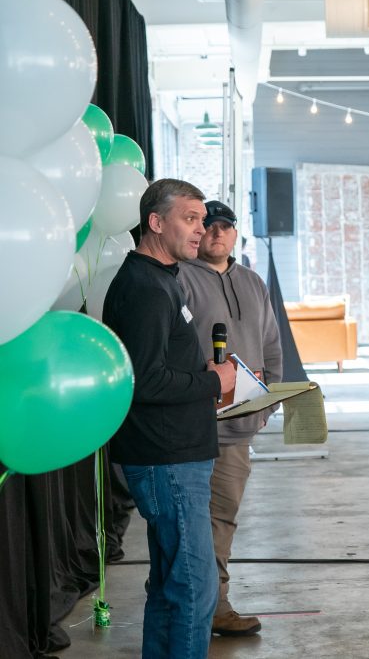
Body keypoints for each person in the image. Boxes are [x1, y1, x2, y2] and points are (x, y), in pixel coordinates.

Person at [103, 178, 237, 659]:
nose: (201, 230)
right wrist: (213, 382)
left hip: (176, 456)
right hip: (167, 462)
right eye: (190, 218)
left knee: (169, 588)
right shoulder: (144, 286)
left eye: (203, 220)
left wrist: (201, 373)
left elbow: (158, 364)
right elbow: (144, 380)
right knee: (195, 591)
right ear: (156, 223)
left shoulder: (162, 278)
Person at [177, 200, 282, 637]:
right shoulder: (179, 279)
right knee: (186, 524)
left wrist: (265, 406)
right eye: (208, 226)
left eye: (224, 226)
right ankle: (190, 607)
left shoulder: (254, 283)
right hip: (188, 428)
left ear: (235, 234)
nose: (216, 233)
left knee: (221, 520)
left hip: (237, 432)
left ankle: (215, 607)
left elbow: (271, 346)